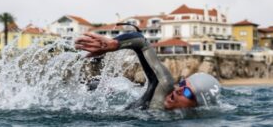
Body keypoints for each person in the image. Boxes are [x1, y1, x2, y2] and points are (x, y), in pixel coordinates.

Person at [75, 31, 221, 110]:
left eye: (187, 92)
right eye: (182, 85)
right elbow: (142, 42)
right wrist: (114, 44)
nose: (178, 90)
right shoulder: (163, 86)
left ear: (197, 106)